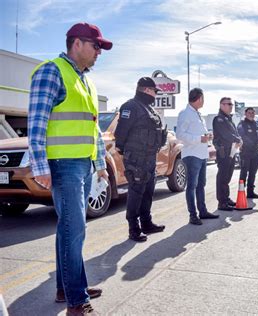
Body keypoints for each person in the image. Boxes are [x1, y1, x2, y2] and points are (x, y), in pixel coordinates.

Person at [28, 22, 112, 315]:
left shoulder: (86, 80)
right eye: (96, 46)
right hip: (63, 165)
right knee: (73, 229)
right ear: (77, 43)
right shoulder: (52, 71)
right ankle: (77, 301)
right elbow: (36, 123)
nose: (99, 52)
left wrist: (99, 164)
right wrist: (40, 165)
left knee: (70, 230)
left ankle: (67, 287)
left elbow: (93, 128)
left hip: (83, 164)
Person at [114, 77, 167, 242]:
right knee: (136, 193)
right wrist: (124, 151)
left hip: (150, 157)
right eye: (154, 91)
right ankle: (133, 228)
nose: (155, 95)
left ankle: (146, 223)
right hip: (136, 158)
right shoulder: (130, 107)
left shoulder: (148, 108)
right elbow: (121, 132)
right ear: (146, 90)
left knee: (148, 192)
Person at [176, 88, 219, 225]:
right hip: (192, 155)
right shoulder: (185, 113)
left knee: (201, 185)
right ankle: (193, 215)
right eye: (203, 98)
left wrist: (208, 136)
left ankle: (203, 211)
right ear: (199, 98)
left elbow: (201, 134)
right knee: (192, 186)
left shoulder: (198, 114)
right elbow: (180, 135)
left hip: (201, 154)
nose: (204, 101)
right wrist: (199, 139)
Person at [212, 97, 242, 211]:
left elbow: (234, 133)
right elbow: (225, 134)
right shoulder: (219, 119)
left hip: (232, 150)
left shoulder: (229, 119)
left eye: (231, 104)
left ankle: (226, 198)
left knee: (228, 176)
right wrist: (238, 139)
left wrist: (239, 139)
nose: (231, 106)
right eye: (228, 104)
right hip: (223, 151)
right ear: (221, 105)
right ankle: (222, 202)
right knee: (223, 176)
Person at [237, 107, 258, 199]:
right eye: (249, 113)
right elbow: (242, 136)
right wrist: (252, 144)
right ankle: (241, 192)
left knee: (253, 173)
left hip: (255, 152)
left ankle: (250, 192)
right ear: (245, 114)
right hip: (245, 152)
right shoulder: (242, 124)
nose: (251, 114)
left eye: (253, 113)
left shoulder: (256, 124)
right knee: (244, 173)